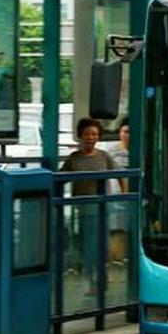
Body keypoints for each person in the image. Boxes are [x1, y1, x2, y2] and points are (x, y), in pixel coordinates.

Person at [60, 118, 124, 295]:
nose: (91, 137)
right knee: (86, 246)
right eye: (87, 134)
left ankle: (102, 279)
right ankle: (89, 279)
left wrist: (125, 196)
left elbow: (120, 174)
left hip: (103, 209)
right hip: (83, 210)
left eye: (95, 134)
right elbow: (60, 178)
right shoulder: (74, 158)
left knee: (102, 245)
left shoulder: (104, 156)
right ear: (80, 136)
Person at [107, 117, 129, 264]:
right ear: (120, 132)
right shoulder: (112, 150)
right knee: (116, 227)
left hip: (133, 195)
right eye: (125, 131)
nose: (128, 135)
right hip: (116, 195)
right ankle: (116, 258)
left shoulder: (140, 150)